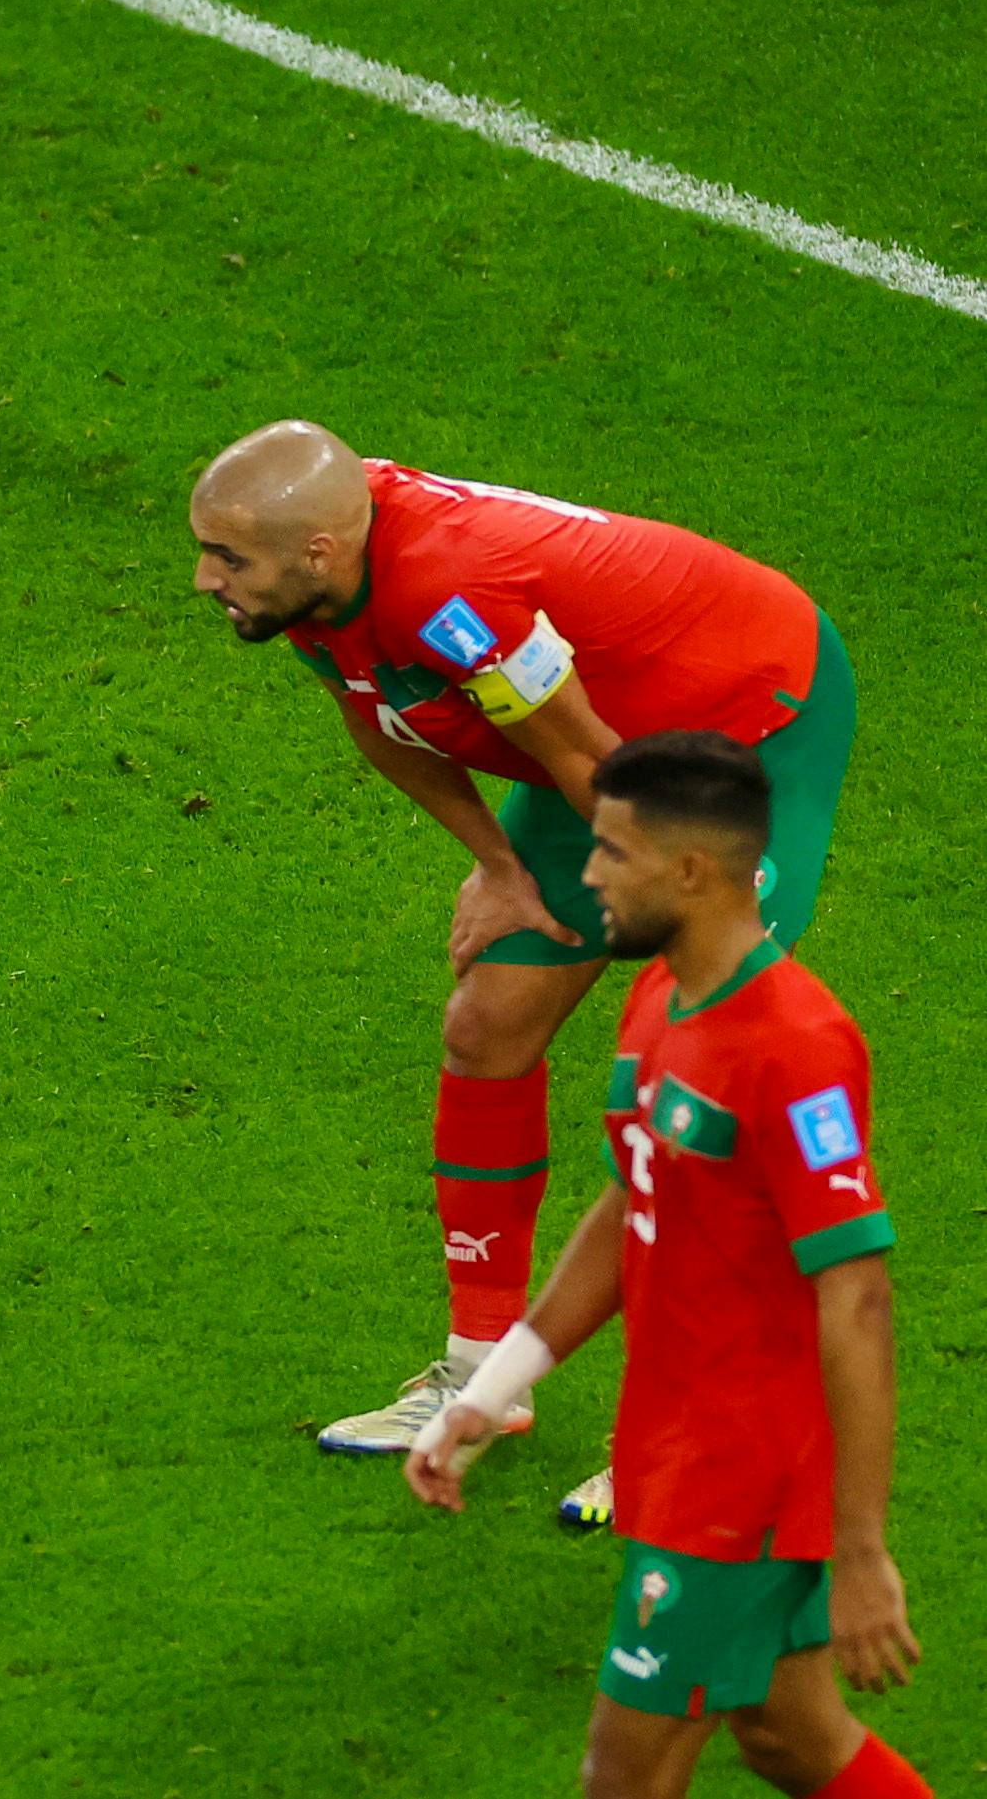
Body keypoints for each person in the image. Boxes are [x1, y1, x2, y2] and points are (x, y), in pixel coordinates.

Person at [187, 422, 852, 1521]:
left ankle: (687, 1430)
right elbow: (383, 718)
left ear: (316, 550)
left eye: (228, 560)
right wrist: (499, 867)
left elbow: (584, 759)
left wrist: (671, 932)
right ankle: (480, 1373)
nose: (207, 578)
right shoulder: (312, 584)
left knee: (701, 1085)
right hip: (599, 739)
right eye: (209, 550)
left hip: (744, 721)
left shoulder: (452, 591)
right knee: (488, 1020)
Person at [407, 733, 922, 1799]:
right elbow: (629, 1204)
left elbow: (859, 1295)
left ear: (692, 870)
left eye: (611, 852)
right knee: (791, 1739)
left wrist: (861, 1549)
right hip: (672, 1444)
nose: (586, 873)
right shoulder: (660, 995)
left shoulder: (795, 1046)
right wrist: (494, 1387)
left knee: (622, 1777)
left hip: (742, 1479)